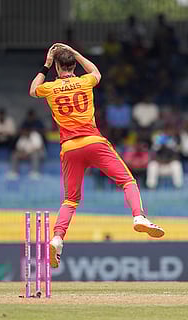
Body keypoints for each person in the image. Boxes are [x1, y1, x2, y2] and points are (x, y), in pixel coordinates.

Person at [29, 43, 165, 269]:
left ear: (57, 68)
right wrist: (77, 53)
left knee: (70, 200)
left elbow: (33, 89)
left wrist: (46, 64)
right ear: (73, 64)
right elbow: (96, 73)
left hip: (70, 147)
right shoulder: (84, 81)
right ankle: (138, 216)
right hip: (94, 142)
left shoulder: (51, 87)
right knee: (128, 181)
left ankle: (57, 239)